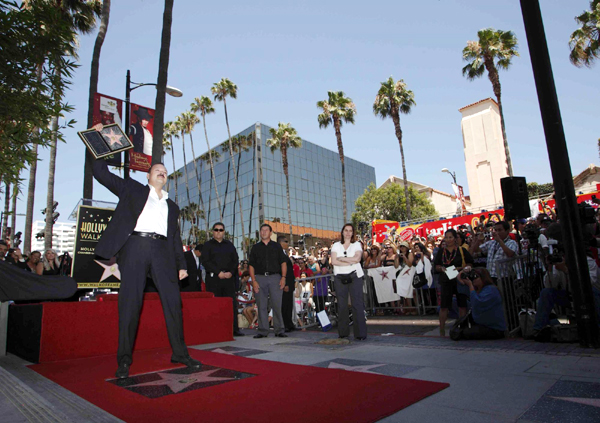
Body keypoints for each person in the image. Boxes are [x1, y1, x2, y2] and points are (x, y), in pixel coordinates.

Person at [92, 155, 198, 379]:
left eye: (164, 170)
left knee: (173, 303)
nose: (161, 172)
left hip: (163, 253)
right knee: (130, 303)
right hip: (135, 247)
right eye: (157, 169)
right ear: (148, 176)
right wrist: (99, 148)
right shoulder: (133, 189)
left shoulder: (172, 206)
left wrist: (181, 265)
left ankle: (180, 353)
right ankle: (124, 360)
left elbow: (175, 238)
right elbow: (102, 175)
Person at [202, 222, 245, 337]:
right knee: (214, 305)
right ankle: (215, 330)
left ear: (224, 232)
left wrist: (231, 272)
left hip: (228, 279)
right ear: (212, 232)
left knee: (231, 305)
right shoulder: (207, 245)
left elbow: (235, 260)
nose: (218, 232)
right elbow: (205, 261)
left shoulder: (229, 245)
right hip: (213, 279)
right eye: (216, 230)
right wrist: (218, 273)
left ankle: (234, 330)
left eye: (221, 230)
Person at [248, 223, 288, 339]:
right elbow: (251, 266)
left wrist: (283, 277)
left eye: (266, 230)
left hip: (275, 278)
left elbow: (283, 263)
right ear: (260, 233)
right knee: (261, 305)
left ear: (270, 233)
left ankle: (279, 329)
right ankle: (262, 330)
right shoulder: (255, 248)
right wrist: (254, 281)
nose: (264, 232)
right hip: (260, 278)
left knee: (277, 304)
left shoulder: (277, 246)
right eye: (262, 230)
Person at [331, 223, 367, 340]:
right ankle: (343, 333)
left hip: (355, 276)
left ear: (353, 233)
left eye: (350, 231)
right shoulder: (336, 245)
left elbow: (357, 258)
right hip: (339, 277)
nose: (347, 233)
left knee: (357, 304)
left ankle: (360, 334)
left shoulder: (356, 245)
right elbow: (334, 262)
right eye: (346, 230)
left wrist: (342, 258)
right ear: (342, 232)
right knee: (342, 306)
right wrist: (350, 261)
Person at [434, 229, 473, 337]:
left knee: (462, 304)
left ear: (455, 239)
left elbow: (470, 262)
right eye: (446, 237)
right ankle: (442, 330)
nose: (448, 240)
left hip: (459, 278)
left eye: (450, 237)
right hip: (446, 279)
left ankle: (461, 327)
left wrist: (466, 268)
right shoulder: (441, 252)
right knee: (444, 306)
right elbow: (436, 266)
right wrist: (442, 268)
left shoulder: (461, 250)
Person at [453, 267, 507, 340]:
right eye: (473, 277)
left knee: (463, 333)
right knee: (456, 328)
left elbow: (477, 303)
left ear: (484, 278)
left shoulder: (491, 290)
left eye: (476, 277)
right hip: (481, 324)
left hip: (494, 328)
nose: (474, 279)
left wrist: (470, 286)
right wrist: (461, 275)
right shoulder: (478, 289)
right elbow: (461, 291)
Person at [278, 235, 297, 332]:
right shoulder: (278, 254)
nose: (287, 243)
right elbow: (280, 270)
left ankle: (289, 324)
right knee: (285, 305)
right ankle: (285, 325)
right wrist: (284, 284)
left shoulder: (284, 254)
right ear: (281, 243)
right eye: (286, 241)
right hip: (284, 284)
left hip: (289, 283)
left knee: (289, 305)